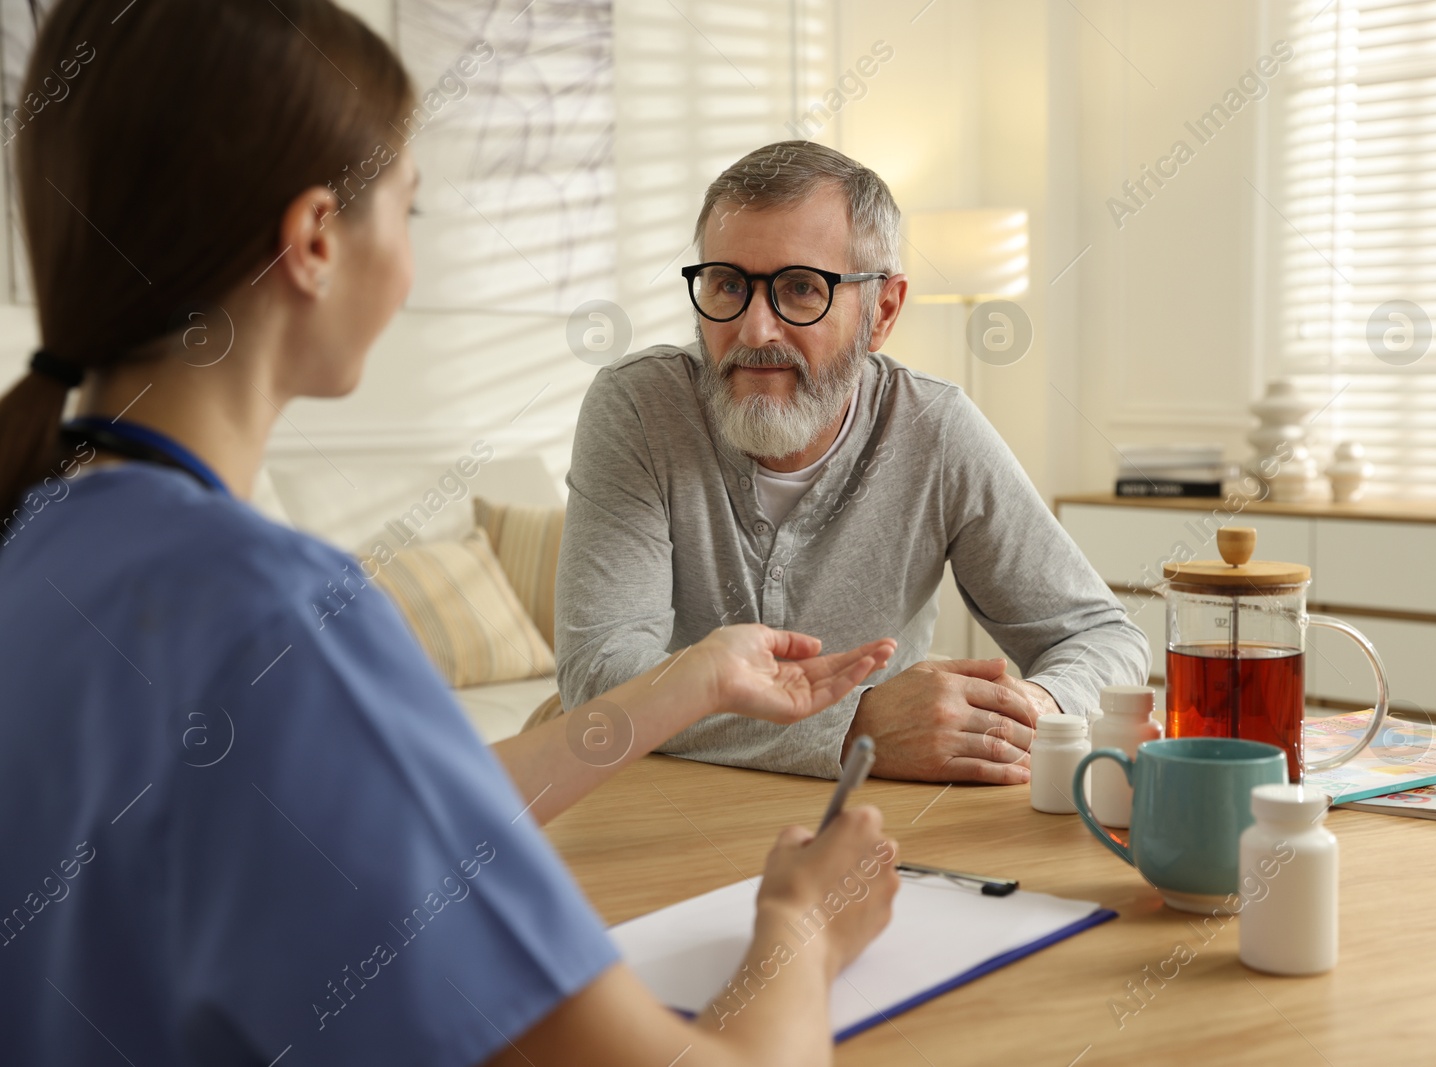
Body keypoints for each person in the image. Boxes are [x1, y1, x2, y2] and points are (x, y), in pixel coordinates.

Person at [0, 2, 899, 1065]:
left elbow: (386, 808)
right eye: (410, 209)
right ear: (319, 239)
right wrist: (801, 922)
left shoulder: (45, 542)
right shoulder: (277, 621)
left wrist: (697, 675)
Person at [556, 141, 1151, 783]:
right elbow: (600, 676)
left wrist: (1027, 709)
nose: (755, 330)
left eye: (801, 289)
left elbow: (1103, 639)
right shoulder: (639, 408)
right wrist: (857, 728)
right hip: (666, 801)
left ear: (882, 312)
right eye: (728, 284)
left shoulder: (935, 430)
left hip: (870, 820)